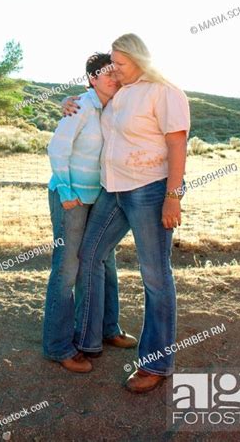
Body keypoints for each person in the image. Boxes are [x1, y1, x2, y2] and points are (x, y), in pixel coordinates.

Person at [63, 34, 190, 392]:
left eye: (119, 63)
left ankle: (156, 364)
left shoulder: (164, 91)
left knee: (155, 275)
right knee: (90, 254)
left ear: (138, 59)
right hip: (113, 190)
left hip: (150, 191)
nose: (114, 69)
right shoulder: (120, 92)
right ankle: (90, 340)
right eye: (112, 64)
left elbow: (177, 143)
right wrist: (67, 102)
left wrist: (173, 196)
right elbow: (92, 100)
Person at [43, 53, 137, 373]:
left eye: (116, 72)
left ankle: (107, 329)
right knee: (68, 268)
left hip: (101, 197)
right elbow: (57, 148)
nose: (113, 77)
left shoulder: (114, 106)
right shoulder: (80, 105)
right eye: (106, 73)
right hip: (72, 197)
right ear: (92, 78)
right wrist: (67, 193)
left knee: (103, 261)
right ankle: (58, 346)